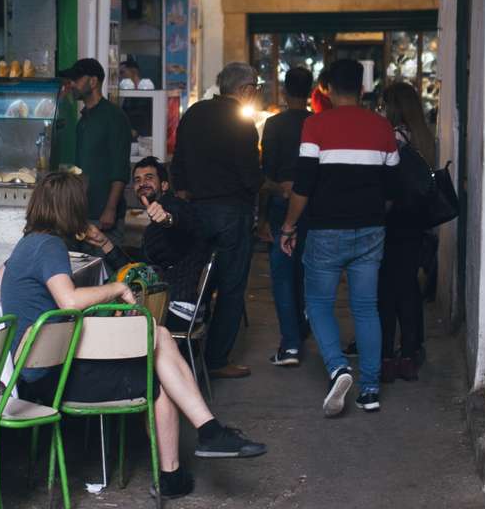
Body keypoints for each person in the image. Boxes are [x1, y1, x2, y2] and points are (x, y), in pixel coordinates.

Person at [0, 172, 266, 500]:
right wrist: (116, 288)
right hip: (53, 377)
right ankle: (188, 457)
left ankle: (206, 436)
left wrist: (34, 292)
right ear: (71, 208)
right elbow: (69, 301)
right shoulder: (50, 247)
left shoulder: (29, 243)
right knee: (157, 370)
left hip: (36, 370)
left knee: (158, 336)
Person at [280, 59, 399, 416]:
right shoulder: (382, 127)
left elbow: (303, 185)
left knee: (318, 303)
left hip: (326, 230)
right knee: (366, 307)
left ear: (328, 89)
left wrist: (288, 226)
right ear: (361, 88)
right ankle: (370, 390)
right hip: (371, 230)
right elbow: (392, 188)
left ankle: (338, 367)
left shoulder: (315, 125)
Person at [171, 62, 263, 379]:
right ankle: (217, 359)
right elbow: (250, 177)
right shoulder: (242, 124)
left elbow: (178, 161)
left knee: (197, 282)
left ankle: (187, 348)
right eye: (255, 88)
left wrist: (184, 194)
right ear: (245, 90)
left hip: (195, 211)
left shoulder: (195, 113)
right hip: (230, 213)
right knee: (231, 286)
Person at [85, 157, 212, 333]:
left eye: (149, 178)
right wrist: (104, 243)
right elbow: (138, 271)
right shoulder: (155, 224)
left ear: (165, 185)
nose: (142, 183)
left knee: (96, 318)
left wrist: (167, 219)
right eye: (137, 180)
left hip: (177, 308)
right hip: (172, 302)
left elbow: (181, 221)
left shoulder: (175, 206)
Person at [378, 82, 436, 382]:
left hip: (393, 220)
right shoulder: (423, 136)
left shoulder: (394, 137)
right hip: (416, 222)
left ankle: (387, 356)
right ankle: (410, 353)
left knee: (386, 291)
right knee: (409, 288)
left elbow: (385, 180)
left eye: (383, 105)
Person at [259, 67, 313, 366]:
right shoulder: (317, 123)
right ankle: (302, 326)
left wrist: (262, 218)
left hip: (281, 202)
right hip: (313, 205)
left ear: (284, 90)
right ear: (311, 91)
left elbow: (266, 172)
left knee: (282, 275)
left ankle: (290, 344)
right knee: (307, 270)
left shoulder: (274, 124)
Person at [62, 58, 132, 243]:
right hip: (81, 213)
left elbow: (120, 169)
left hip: (103, 217)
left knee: (104, 262)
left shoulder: (114, 116)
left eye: (77, 79)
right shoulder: (83, 119)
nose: (72, 84)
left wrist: (110, 209)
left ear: (93, 81)